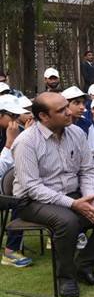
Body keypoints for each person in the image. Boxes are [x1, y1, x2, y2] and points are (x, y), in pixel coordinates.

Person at [12, 92, 94, 297]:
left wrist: (89, 197)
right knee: (67, 221)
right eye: (61, 110)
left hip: (75, 193)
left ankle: (84, 265)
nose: (69, 112)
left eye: (67, 107)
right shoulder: (26, 142)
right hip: (33, 200)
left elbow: (87, 170)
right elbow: (32, 187)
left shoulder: (76, 133)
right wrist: (74, 204)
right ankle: (66, 277)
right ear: (44, 117)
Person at [0, 96, 33, 268]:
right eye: (12, 116)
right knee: (21, 198)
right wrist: (10, 143)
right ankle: (10, 251)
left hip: (10, 183)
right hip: (3, 187)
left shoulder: (17, 130)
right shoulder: (11, 134)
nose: (15, 121)